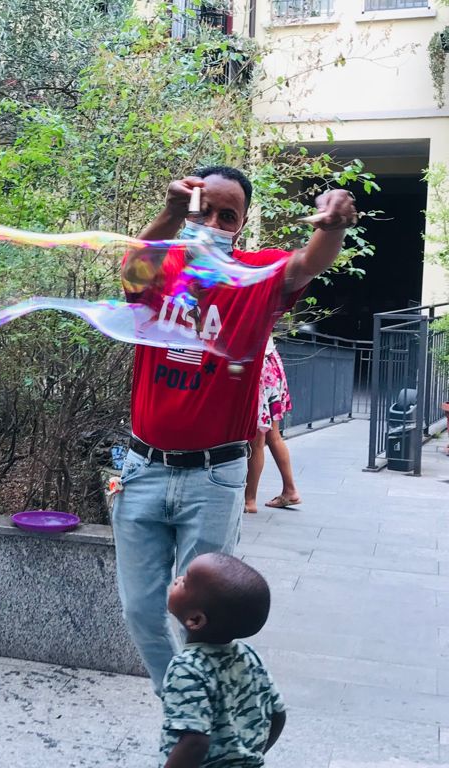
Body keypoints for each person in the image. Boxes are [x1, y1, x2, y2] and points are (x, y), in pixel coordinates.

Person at [113, 165, 357, 693]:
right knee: (140, 610)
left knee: (203, 619)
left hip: (214, 477)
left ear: (241, 224)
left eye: (228, 216)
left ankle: (196, 714)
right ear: (187, 207)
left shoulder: (256, 275)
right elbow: (131, 271)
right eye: (205, 210)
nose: (215, 223)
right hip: (141, 470)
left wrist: (334, 224)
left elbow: (308, 262)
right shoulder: (163, 269)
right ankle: (183, 707)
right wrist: (171, 213)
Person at [160, 552, 285, 768]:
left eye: (185, 582)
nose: (178, 579)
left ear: (195, 620)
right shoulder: (249, 654)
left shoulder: (186, 668)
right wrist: (254, 754)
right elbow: (278, 714)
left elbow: (195, 742)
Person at [244, 337, 300, 514]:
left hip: (258, 365)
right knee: (272, 436)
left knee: (257, 440)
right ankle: (290, 490)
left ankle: (249, 500)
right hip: (271, 363)